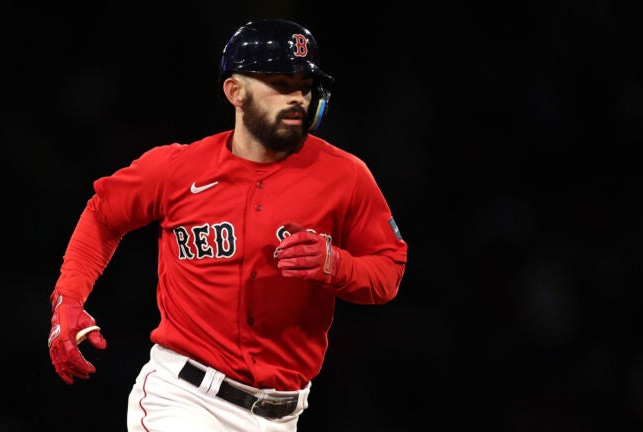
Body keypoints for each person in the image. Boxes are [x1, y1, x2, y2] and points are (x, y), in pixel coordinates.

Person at [47, 18, 408, 431]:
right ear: (235, 91)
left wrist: (336, 265)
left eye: (305, 86)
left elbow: (388, 271)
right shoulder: (178, 169)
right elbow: (102, 215)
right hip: (182, 399)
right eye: (280, 83)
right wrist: (68, 299)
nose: (298, 99)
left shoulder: (346, 176)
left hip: (282, 414)